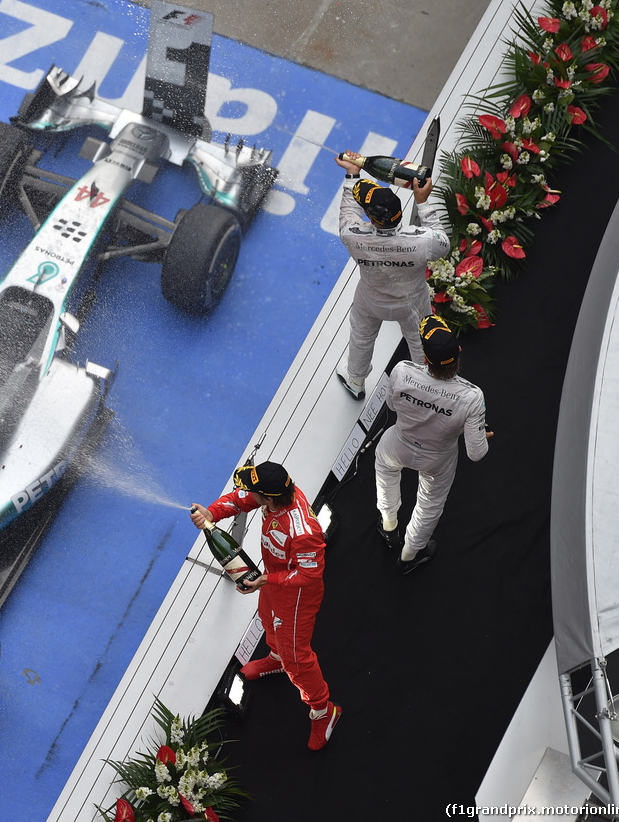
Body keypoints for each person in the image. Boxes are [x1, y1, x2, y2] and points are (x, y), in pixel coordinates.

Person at [189, 462, 341, 750]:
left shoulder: (303, 530)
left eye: (254, 490)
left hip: (297, 595)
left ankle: (323, 710)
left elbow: (310, 575)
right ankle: (276, 658)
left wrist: (265, 580)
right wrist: (212, 512)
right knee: (267, 621)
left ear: (269, 498)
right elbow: (238, 499)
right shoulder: (275, 496)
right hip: (275, 581)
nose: (249, 492)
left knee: (297, 658)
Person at [375, 315, 491, 573]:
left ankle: (389, 526)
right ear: (459, 354)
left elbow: (392, 406)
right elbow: (476, 453)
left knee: (385, 471)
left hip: (399, 444)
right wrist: (476, 433)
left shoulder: (403, 371)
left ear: (425, 358)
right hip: (438, 459)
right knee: (429, 505)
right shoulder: (472, 396)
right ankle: (408, 555)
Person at [333, 152, 450, 399]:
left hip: (370, 300)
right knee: (419, 343)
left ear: (371, 218)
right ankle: (426, 385)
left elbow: (348, 213)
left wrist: (352, 174)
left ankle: (356, 380)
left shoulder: (351, 235)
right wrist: (423, 202)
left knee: (361, 338)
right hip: (412, 304)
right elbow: (444, 243)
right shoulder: (422, 241)